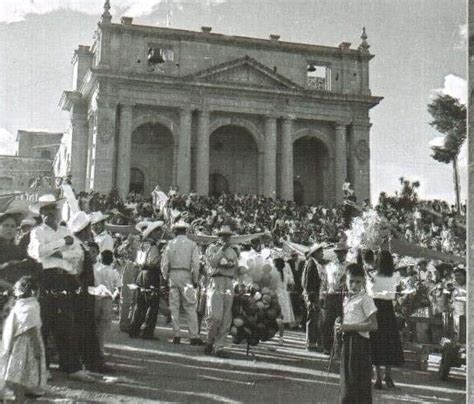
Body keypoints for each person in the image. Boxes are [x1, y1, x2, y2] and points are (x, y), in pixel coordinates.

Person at [28, 194, 93, 382]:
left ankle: (71, 366)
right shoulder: (38, 232)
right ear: (41, 213)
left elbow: (77, 254)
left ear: (57, 211)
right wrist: (62, 244)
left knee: (66, 322)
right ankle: (42, 368)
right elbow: (38, 253)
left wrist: (57, 253)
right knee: (44, 322)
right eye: (45, 210)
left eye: (52, 209)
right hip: (46, 279)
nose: (49, 213)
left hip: (64, 278)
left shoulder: (65, 230)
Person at [68, 211, 111, 374]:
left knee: (87, 326)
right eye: (89, 228)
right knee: (84, 327)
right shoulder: (77, 248)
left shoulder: (81, 246)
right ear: (84, 230)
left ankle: (91, 361)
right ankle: (90, 362)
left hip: (85, 292)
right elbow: (74, 272)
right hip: (81, 293)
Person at [335, 263, 378, 404]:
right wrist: (339, 323)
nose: (354, 285)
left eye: (358, 282)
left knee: (359, 383)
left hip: (360, 345)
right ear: (345, 281)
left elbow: (373, 325)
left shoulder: (365, 299)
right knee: (346, 382)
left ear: (363, 282)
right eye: (351, 281)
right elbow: (348, 319)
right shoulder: (347, 299)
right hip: (348, 343)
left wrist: (349, 327)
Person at [1, 276, 47, 402]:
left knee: (18, 374)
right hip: (28, 345)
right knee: (23, 373)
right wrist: (36, 347)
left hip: (17, 345)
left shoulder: (19, 305)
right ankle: (19, 399)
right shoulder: (32, 305)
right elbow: (30, 328)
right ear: (33, 292)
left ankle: (18, 397)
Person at [367, 250, 405, 389]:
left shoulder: (371, 275)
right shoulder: (396, 275)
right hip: (388, 310)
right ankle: (388, 375)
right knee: (389, 342)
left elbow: (369, 293)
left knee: (376, 342)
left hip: (376, 309)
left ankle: (378, 377)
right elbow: (398, 291)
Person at [161, 221, 203, 345]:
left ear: (175, 231)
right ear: (186, 231)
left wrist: (165, 276)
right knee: (190, 305)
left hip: (173, 274)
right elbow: (196, 264)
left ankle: (177, 334)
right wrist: (195, 279)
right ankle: (194, 335)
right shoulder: (192, 244)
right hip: (186, 275)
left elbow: (164, 263)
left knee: (174, 306)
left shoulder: (170, 244)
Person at [204, 225, 240, 357]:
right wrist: (221, 250)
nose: (226, 238)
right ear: (218, 237)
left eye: (228, 236)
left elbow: (236, 268)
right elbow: (212, 263)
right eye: (223, 235)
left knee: (226, 317)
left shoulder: (233, 251)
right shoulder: (212, 248)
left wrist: (234, 266)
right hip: (216, 280)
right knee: (215, 316)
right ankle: (209, 341)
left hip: (228, 282)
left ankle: (219, 346)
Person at [128, 221, 164, 339]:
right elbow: (153, 262)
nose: (160, 233)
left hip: (141, 274)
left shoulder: (142, 245)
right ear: (152, 232)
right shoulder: (153, 246)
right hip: (151, 274)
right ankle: (147, 332)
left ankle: (134, 328)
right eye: (158, 230)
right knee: (152, 304)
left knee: (141, 303)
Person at [320, 241, 347, 355]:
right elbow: (324, 282)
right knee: (327, 322)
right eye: (337, 252)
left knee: (342, 321)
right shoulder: (329, 266)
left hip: (343, 296)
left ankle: (341, 347)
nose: (338, 254)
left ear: (345, 253)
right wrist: (322, 295)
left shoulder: (349, 266)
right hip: (330, 296)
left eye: (341, 252)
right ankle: (327, 346)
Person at [94, 250, 122, 358]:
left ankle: (94, 350)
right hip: (107, 299)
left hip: (96, 298)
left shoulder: (96, 270)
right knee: (103, 326)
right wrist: (113, 296)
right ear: (112, 260)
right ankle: (100, 350)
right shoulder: (114, 272)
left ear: (100, 259)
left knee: (95, 324)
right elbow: (118, 288)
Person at [301, 243, 324, 352]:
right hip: (313, 295)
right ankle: (310, 343)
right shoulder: (311, 265)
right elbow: (308, 283)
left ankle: (312, 342)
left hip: (313, 295)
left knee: (314, 318)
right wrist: (312, 299)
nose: (322, 254)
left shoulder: (312, 264)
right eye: (321, 252)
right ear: (316, 253)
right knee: (312, 319)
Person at [272, 254, 295, 345]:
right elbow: (291, 284)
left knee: (275, 316)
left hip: (276, 294)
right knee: (282, 317)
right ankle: (281, 337)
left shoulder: (274, 274)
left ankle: (273, 334)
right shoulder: (286, 274)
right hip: (284, 295)